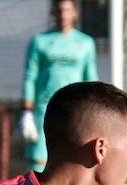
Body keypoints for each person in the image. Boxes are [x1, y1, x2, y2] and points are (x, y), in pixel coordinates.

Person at [20, 0, 99, 171]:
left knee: (76, 159)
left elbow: (91, 79)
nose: (63, 14)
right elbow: (29, 77)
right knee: (38, 161)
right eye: (60, 10)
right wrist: (26, 112)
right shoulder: (39, 41)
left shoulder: (86, 43)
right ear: (53, 13)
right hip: (45, 108)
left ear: (75, 13)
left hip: (76, 110)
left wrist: (94, 109)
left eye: (67, 10)